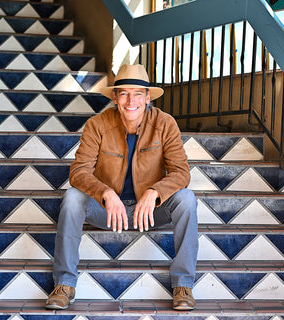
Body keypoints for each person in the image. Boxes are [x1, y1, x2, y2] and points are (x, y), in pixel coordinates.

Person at [45, 64, 198, 311]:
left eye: (138, 93)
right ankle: (64, 283)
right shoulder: (97, 124)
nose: (131, 101)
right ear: (115, 97)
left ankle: (183, 285)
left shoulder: (165, 123)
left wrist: (154, 192)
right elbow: (79, 171)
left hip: (148, 212)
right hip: (107, 211)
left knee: (187, 199)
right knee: (73, 197)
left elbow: (181, 172)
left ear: (148, 98)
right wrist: (105, 193)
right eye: (124, 93)